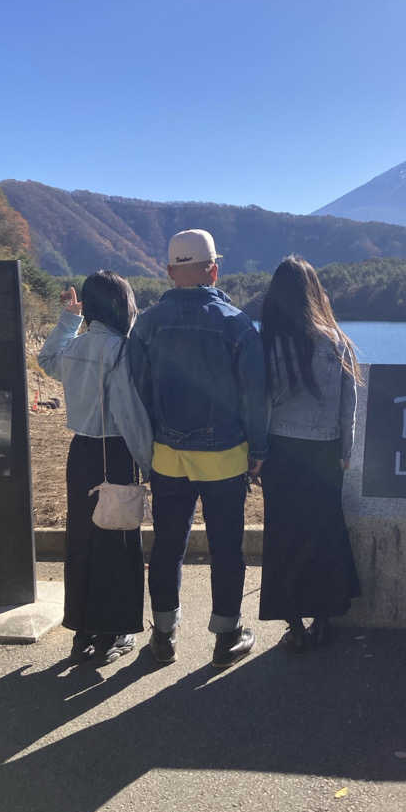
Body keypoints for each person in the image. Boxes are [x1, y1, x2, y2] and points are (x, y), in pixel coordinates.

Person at [128, 229, 267, 669]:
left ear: (170, 272)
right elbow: (255, 396)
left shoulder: (147, 324)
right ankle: (226, 636)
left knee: (167, 545)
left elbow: (138, 389)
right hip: (225, 456)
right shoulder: (237, 324)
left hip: (167, 453)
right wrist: (259, 448)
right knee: (226, 548)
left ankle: (163, 635)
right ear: (214, 270)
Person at [38, 272, 152, 664]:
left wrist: (70, 319)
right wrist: (149, 464)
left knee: (82, 540)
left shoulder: (76, 346)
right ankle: (113, 633)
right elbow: (130, 415)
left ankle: (82, 631)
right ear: (123, 305)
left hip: (82, 454)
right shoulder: (123, 350)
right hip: (116, 453)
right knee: (118, 543)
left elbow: (46, 359)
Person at [258, 255, 361, 651]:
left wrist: (257, 451)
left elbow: (260, 403)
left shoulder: (269, 342)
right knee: (324, 534)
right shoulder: (337, 341)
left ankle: (294, 625)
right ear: (314, 293)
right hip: (325, 452)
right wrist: (346, 451)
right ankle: (323, 619)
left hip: (281, 452)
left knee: (284, 536)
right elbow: (349, 404)